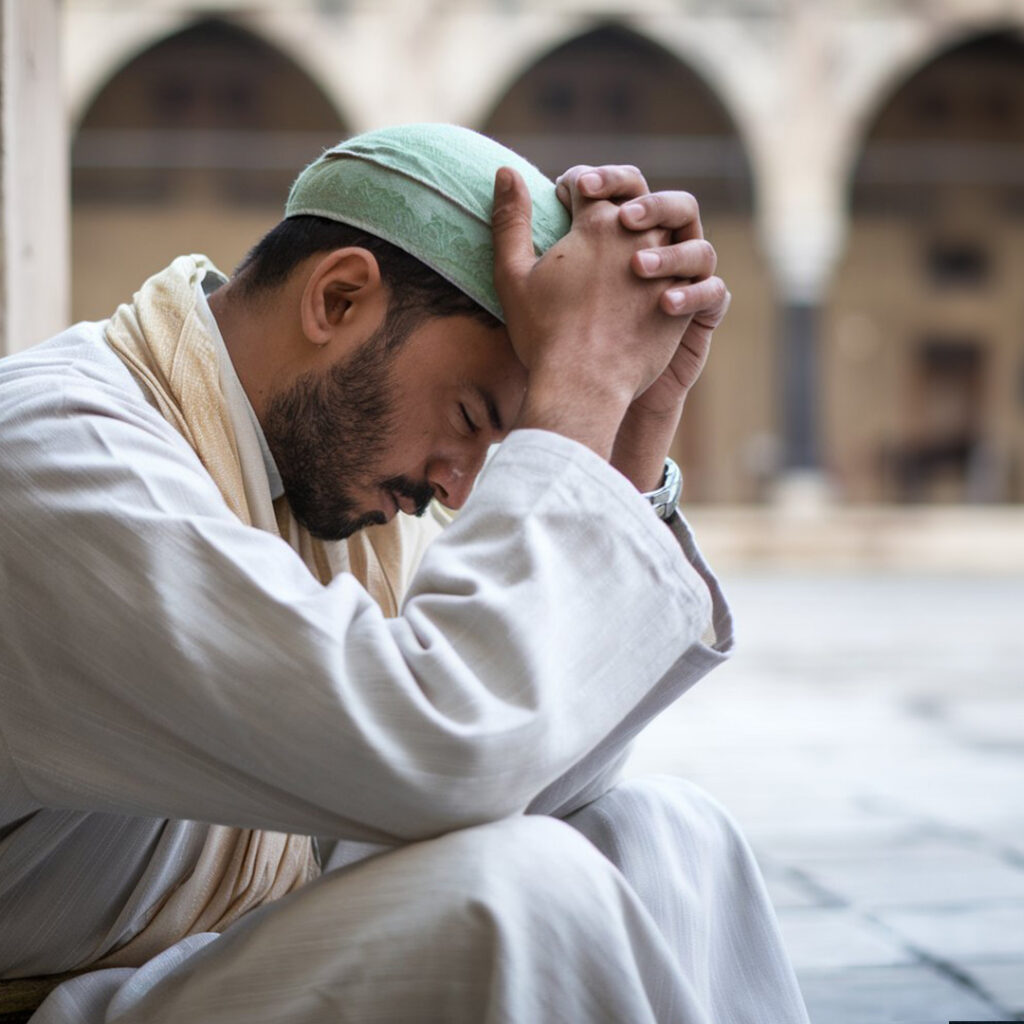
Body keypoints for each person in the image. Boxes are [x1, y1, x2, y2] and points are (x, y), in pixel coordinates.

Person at [0, 124, 808, 1023]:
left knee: (669, 836)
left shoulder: (315, 486)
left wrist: (626, 442)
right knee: (520, 894)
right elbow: (447, 750)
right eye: (470, 415)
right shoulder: (51, 455)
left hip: (194, 969)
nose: (458, 486)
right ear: (340, 299)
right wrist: (575, 390)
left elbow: (528, 771)